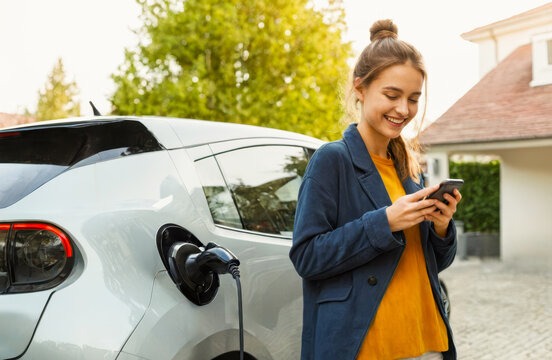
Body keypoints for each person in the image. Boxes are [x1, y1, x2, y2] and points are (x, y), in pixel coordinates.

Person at [289, 19, 461, 360]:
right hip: (366, 348)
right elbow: (307, 257)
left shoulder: (409, 171)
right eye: (392, 95)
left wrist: (442, 229)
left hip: (425, 344)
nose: (403, 110)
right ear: (360, 88)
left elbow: (430, 264)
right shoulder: (331, 160)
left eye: (413, 99)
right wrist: (384, 222)